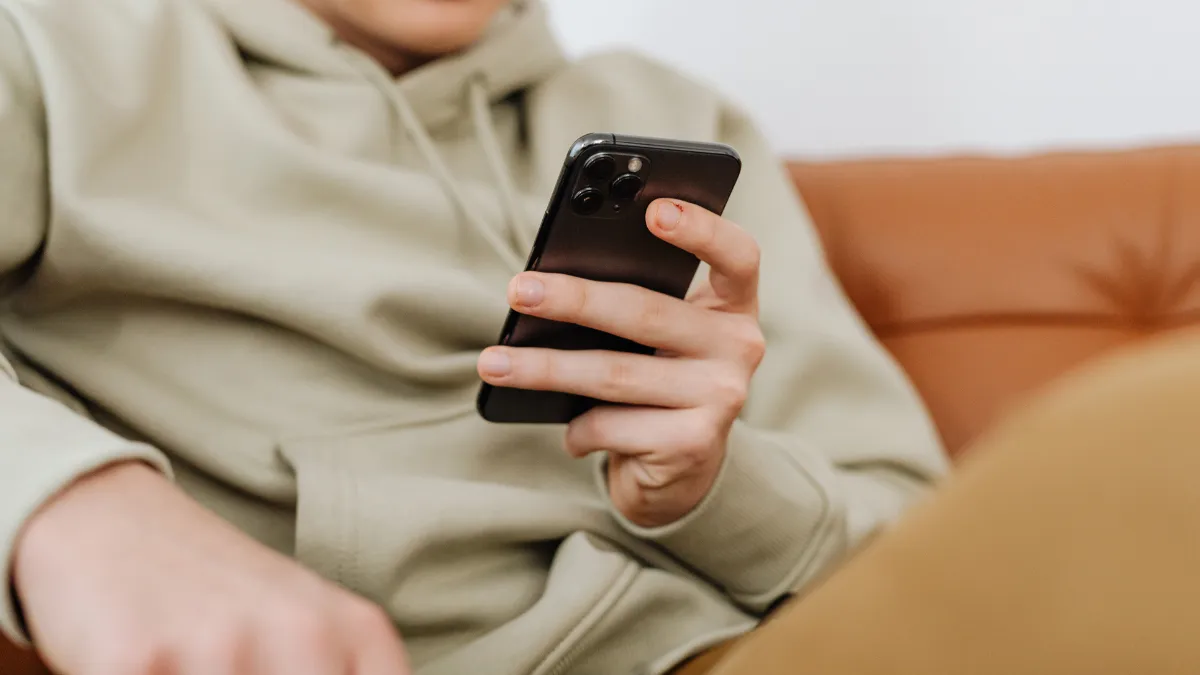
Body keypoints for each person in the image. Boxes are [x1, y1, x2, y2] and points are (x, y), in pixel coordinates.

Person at [0, 0, 948, 673]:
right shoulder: (51, 46)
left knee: (1103, 439)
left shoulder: (676, 116)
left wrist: (713, 486)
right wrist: (71, 501)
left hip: (756, 646)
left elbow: (928, 547)